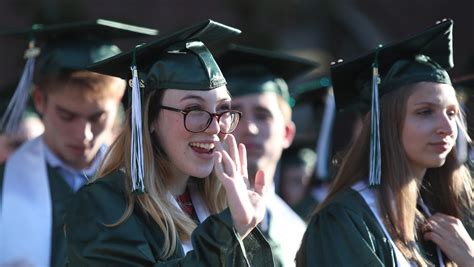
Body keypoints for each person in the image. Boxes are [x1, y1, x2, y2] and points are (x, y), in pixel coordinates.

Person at [64, 20, 274, 266]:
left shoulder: (215, 203)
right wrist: (228, 231)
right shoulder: (104, 207)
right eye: (194, 109)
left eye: (223, 110)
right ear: (148, 118)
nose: (215, 127)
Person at [296, 19, 474, 266]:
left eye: (452, 113)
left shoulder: (441, 223)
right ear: (385, 123)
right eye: (425, 112)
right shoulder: (346, 220)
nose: (446, 128)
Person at [0, 19, 158, 267]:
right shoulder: (4, 184)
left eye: (97, 117)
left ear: (118, 100)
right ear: (39, 100)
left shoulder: (143, 184)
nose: (84, 135)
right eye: (67, 116)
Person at [218, 44, 318, 267]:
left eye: (263, 116)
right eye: (235, 115)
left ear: (287, 133)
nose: (250, 128)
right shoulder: (196, 217)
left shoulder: (297, 231)